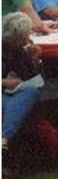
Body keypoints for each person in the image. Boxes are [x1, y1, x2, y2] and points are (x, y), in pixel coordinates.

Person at [2, 12, 43, 165]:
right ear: (18, 37)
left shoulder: (19, 51)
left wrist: (34, 61)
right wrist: (3, 82)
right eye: (27, 34)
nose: (29, 37)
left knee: (30, 91)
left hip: (12, 95)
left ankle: (4, 139)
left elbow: (31, 79)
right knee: (17, 107)